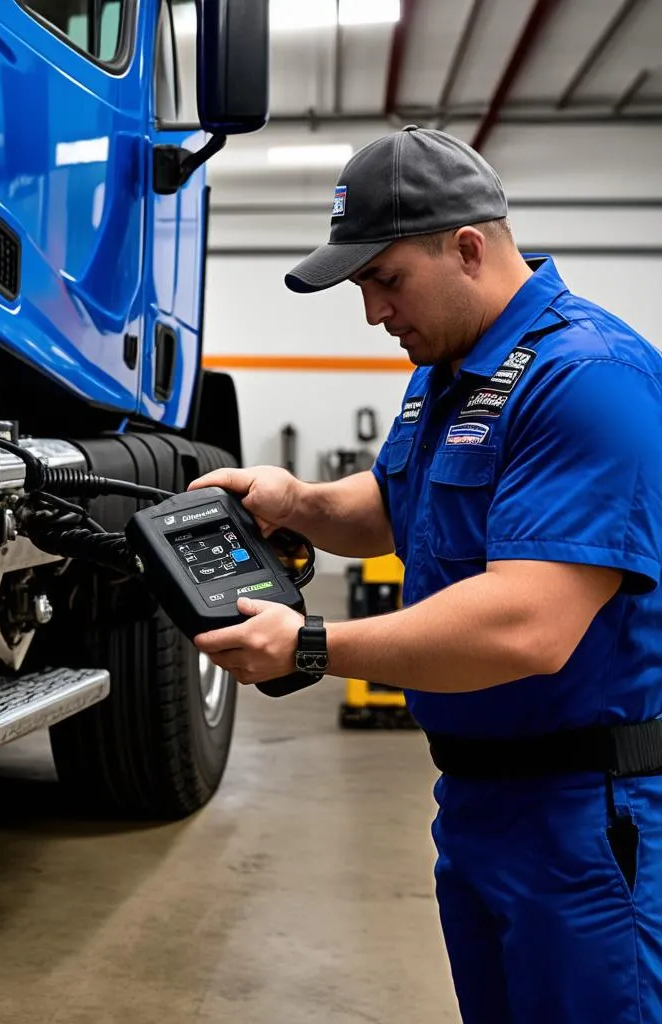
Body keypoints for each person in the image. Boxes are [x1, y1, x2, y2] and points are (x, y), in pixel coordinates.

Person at [190, 125, 662, 1023]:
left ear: (469, 249)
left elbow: (528, 622)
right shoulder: (449, 370)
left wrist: (312, 644)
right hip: (477, 805)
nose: (373, 312)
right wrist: (292, 500)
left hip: (587, 824)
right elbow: (399, 504)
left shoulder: (589, 378)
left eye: (384, 279)